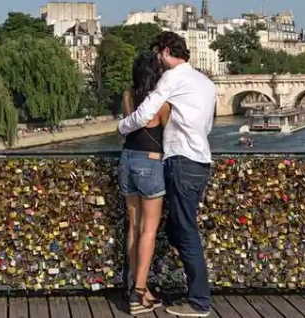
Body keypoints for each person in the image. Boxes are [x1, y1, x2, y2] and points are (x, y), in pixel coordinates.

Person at [118, 31, 216, 317]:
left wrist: (122, 128)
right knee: (179, 228)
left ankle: (198, 301)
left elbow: (144, 113)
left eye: (158, 54)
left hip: (178, 160)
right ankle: (150, 287)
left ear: (163, 51)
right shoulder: (206, 82)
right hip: (199, 159)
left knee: (182, 232)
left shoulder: (172, 78)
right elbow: (208, 124)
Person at [118, 51, 171, 316]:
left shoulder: (128, 95)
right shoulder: (161, 101)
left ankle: (140, 287)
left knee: (134, 227)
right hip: (150, 163)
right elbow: (169, 131)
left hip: (127, 160)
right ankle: (137, 294)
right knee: (149, 230)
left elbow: (131, 125)